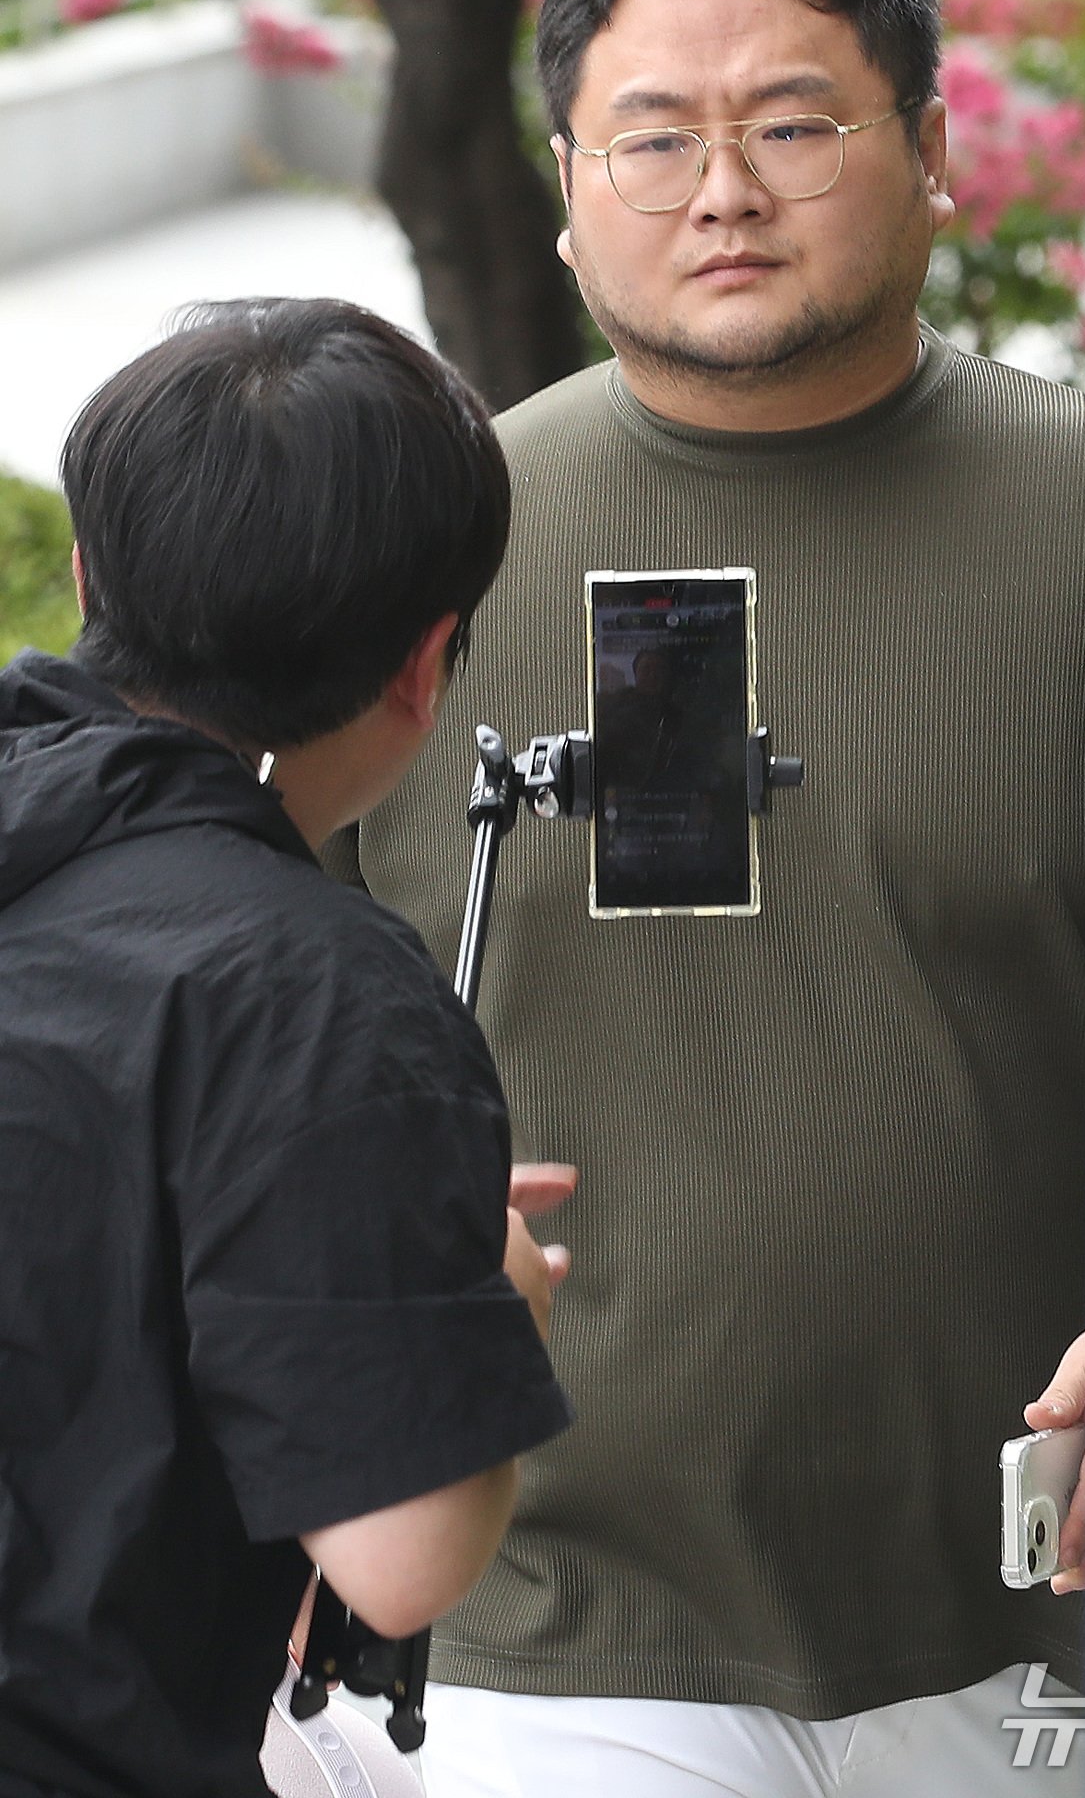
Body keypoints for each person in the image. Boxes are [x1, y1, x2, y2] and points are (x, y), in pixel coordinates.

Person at [329, 0, 1085, 1797]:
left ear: (933, 150)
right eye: (654, 138)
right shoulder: (412, 552)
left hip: (1054, 1598)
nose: (724, 192)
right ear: (563, 179)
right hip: (554, 1616)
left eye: (792, 124)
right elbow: (251, 1030)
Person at [0, 299, 575, 1798]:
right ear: (426, 663)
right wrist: (484, 1299)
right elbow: (398, 1559)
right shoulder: (316, 998)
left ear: (86, 571)